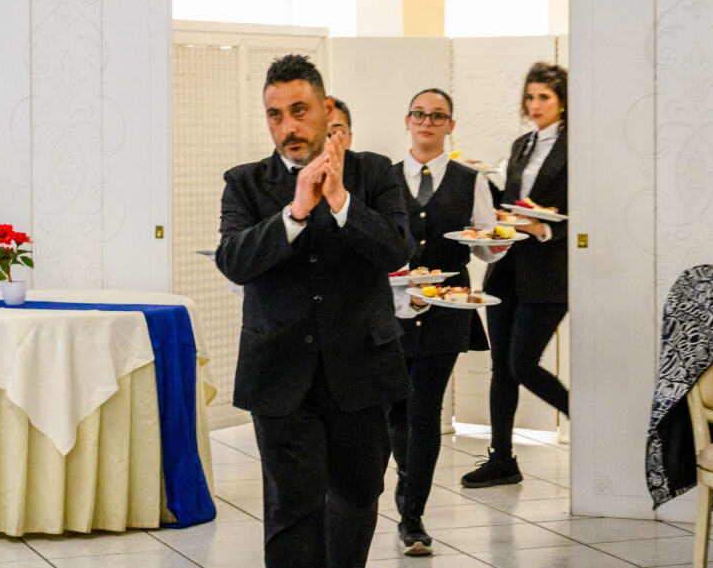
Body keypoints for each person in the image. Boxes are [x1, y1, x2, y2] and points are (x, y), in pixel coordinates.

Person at [216, 54, 412, 568]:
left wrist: (342, 201)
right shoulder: (245, 183)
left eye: (299, 111)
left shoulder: (374, 172)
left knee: (356, 496)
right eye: (275, 115)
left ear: (327, 109)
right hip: (279, 373)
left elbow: (397, 250)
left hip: (361, 370)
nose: (288, 127)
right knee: (292, 507)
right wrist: (295, 211)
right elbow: (233, 261)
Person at [388, 88, 507, 555]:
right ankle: (407, 483)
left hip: (447, 310)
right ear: (407, 120)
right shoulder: (385, 178)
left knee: (424, 410)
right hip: (393, 309)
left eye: (438, 116)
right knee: (396, 412)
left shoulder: (469, 180)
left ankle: (412, 515)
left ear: (450, 126)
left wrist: (496, 243)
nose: (427, 122)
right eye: (419, 114)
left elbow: (485, 244)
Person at [461, 62, 570, 488]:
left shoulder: (578, 146)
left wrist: (542, 227)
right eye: (530, 96)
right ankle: (502, 459)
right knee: (502, 369)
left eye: (544, 96)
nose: (535, 104)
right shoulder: (522, 144)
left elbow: (582, 209)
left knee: (522, 364)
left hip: (549, 271)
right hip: (507, 267)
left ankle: (587, 420)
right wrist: (479, 183)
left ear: (562, 101)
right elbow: (510, 202)